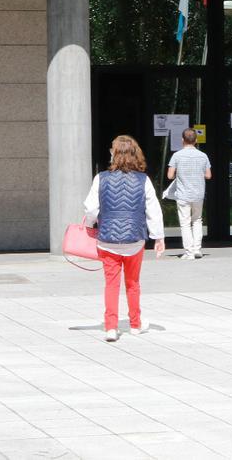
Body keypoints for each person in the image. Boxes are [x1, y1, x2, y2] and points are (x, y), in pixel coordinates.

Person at [84, 135, 165, 342]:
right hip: (134, 239)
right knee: (133, 283)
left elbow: (91, 208)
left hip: (107, 239)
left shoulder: (100, 177)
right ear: (134, 154)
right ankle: (135, 324)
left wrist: (89, 224)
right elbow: (153, 210)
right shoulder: (143, 179)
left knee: (111, 284)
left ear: (114, 153)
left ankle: (111, 327)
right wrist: (158, 237)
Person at [166, 128, 211, 260]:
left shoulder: (177, 156)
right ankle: (197, 249)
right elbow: (208, 175)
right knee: (197, 220)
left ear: (182, 140)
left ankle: (189, 252)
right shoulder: (203, 156)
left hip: (183, 194)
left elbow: (170, 175)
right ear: (196, 141)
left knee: (185, 223)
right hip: (198, 194)